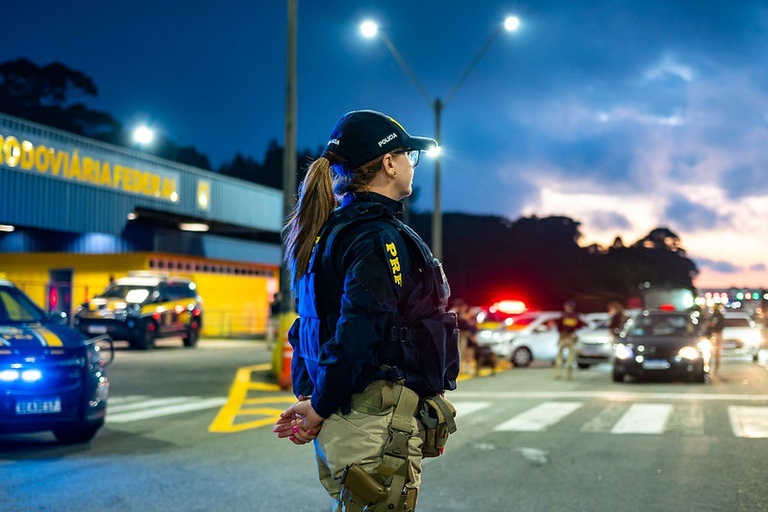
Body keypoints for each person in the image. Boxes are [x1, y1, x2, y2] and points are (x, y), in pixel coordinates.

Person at [273, 110, 460, 512]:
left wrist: (313, 399)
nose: (413, 164)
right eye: (409, 154)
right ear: (389, 164)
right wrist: (319, 406)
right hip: (370, 420)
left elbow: (307, 326)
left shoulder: (326, 231)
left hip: (350, 416)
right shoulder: (375, 236)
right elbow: (357, 332)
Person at [554, 299, 586, 380]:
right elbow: (581, 325)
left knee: (560, 355)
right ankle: (568, 374)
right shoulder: (576, 316)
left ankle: (558, 373)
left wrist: (560, 334)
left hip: (564, 336)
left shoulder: (563, 316)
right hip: (571, 337)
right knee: (570, 356)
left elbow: (559, 326)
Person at [707, 304, 725, 375]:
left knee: (717, 352)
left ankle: (715, 367)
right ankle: (709, 366)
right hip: (712, 335)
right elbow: (708, 324)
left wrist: (713, 326)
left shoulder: (719, 316)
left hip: (717, 334)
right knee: (710, 352)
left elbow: (720, 325)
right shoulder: (712, 316)